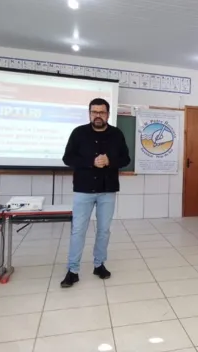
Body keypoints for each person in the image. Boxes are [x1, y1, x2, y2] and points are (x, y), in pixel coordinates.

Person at [60, 98, 131, 288]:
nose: (97, 115)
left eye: (101, 112)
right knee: (78, 230)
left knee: (104, 230)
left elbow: (126, 159)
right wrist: (91, 162)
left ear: (108, 114)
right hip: (83, 189)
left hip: (107, 190)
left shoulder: (117, 134)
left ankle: (99, 264)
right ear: (89, 113)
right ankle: (72, 270)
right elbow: (67, 158)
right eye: (94, 112)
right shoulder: (78, 133)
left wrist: (110, 161)